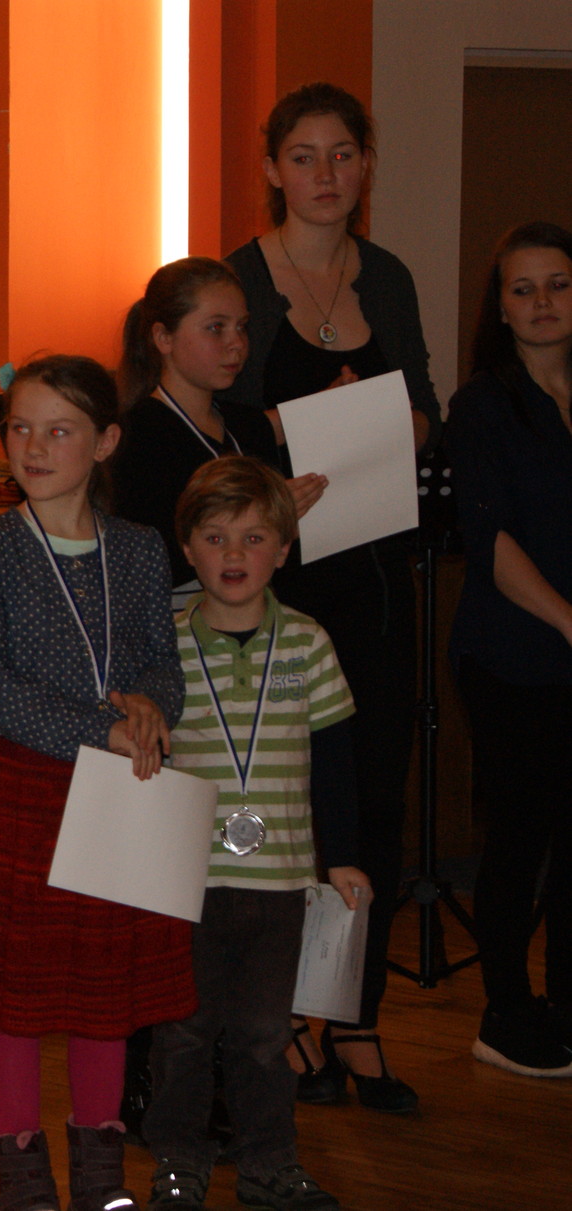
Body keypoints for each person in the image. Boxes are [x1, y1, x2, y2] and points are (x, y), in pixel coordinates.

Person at [0, 353, 190, 1211]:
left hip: (121, 792)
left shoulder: (138, 549)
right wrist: (97, 728)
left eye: (59, 430)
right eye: (20, 429)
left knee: (104, 990)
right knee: (18, 996)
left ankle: (102, 1176)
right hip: (28, 791)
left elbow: (163, 660)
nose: (34, 447)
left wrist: (150, 706)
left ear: (105, 442)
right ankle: (23, 1177)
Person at [221, 81, 436, 1112]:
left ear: (365, 163)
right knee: (291, 805)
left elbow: (425, 411)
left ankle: (354, 1016)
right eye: (302, 156)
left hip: (375, 575)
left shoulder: (385, 277)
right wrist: (297, 433)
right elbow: (215, 431)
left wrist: (381, 425)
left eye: (342, 154)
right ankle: (285, 1022)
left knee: (376, 799)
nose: (324, 174)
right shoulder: (237, 279)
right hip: (277, 582)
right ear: (272, 169)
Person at [145, 456, 368, 1211]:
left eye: (253, 537)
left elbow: (334, 758)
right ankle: (178, 1159)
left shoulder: (307, 641)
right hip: (188, 882)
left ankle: (269, 1161)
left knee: (267, 1035)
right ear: (188, 549)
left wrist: (342, 857)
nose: (234, 554)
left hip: (280, 880)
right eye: (215, 538)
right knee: (182, 1033)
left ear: (284, 548)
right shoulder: (165, 647)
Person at [446, 221, 572, 1078]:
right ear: (500, 306)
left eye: (558, 283)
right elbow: (487, 539)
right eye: (522, 288)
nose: (541, 302)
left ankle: (565, 1004)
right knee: (522, 833)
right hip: (511, 653)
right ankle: (504, 1011)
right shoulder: (483, 405)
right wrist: (567, 619)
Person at [113, 256, 305, 609]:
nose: (236, 343)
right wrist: (267, 516)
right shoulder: (136, 436)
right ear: (163, 337)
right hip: (178, 627)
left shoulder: (249, 427)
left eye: (242, 327)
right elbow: (148, 560)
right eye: (216, 328)